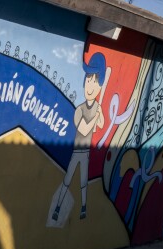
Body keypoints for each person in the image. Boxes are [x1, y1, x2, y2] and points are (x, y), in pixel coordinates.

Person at [52, 52, 106, 222]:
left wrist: (100, 112)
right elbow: (84, 128)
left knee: (83, 182)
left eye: (95, 81)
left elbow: (102, 125)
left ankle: (83, 207)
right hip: (77, 151)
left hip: (86, 153)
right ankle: (58, 207)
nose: (90, 85)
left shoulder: (97, 107)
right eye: (88, 80)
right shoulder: (80, 110)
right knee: (67, 180)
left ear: (100, 86)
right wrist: (96, 117)